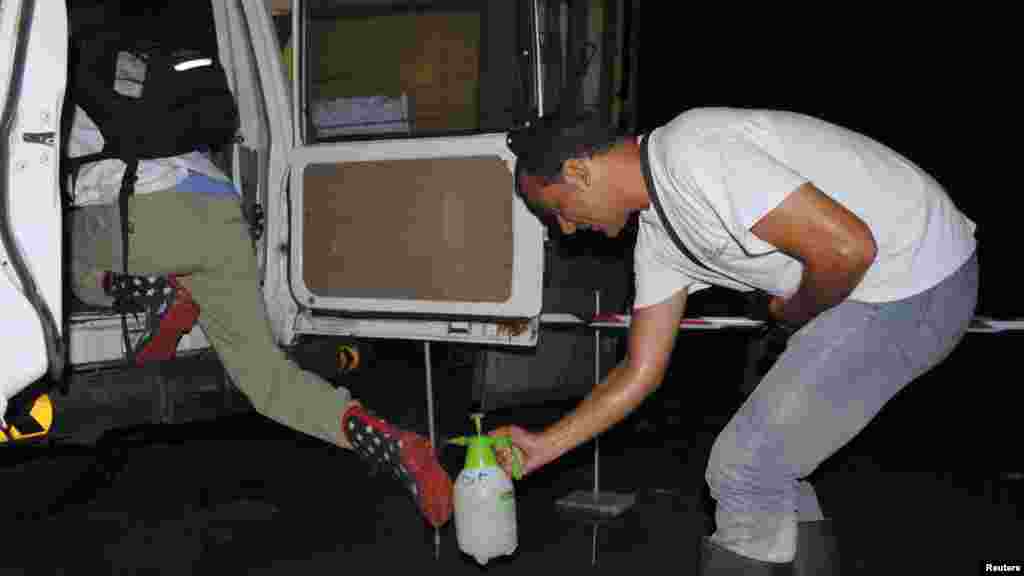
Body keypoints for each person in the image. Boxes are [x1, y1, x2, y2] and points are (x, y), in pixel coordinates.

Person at [493, 108, 978, 574]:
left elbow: (847, 250)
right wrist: (544, 445)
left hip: (913, 276)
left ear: (578, 171)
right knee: (773, 472)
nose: (567, 228)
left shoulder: (692, 151)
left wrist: (792, 314)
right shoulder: (661, 238)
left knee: (744, 469)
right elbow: (640, 370)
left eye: (557, 209)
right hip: (877, 290)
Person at [65, 98, 454, 528]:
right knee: (266, 380)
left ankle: (150, 290)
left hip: (148, 216)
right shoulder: (136, 99)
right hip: (220, 209)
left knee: (71, 267)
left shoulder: (54, 88)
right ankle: (391, 443)